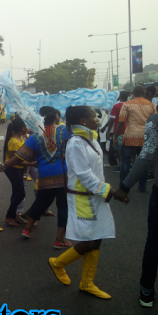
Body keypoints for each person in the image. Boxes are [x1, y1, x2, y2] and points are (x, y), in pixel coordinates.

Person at [48, 106, 117, 300]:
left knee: (97, 237)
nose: (97, 119)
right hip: (83, 197)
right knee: (90, 240)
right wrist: (109, 190)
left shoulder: (91, 138)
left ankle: (87, 283)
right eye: (94, 116)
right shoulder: (75, 143)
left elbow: (95, 171)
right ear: (83, 120)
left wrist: (103, 190)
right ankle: (58, 263)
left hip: (95, 195)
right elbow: (84, 174)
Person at [0, 106, 70, 248]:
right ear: (56, 119)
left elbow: (17, 157)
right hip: (63, 176)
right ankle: (60, 239)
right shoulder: (64, 130)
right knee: (63, 207)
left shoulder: (35, 137)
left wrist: (2, 166)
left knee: (40, 203)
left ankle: (27, 229)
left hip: (45, 177)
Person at [114, 110, 158, 307]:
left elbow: (146, 157)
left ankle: (146, 291)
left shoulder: (157, 121)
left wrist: (124, 187)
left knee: (155, 242)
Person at [115, 85, 156, 192]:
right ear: (144, 93)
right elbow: (155, 122)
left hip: (130, 137)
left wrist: (115, 137)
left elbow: (121, 123)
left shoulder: (127, 105)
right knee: (142, 163)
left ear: (132, 93)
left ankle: (123, 187)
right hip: (145, 138)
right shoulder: (151, 105)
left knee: (125, 162)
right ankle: (142, 187)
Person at [2, 118, 32, 227]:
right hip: (12, 169)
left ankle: (13, 215)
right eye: (26, 126)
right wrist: (31, 163)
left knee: (16, 192)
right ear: (22, 128)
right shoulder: (13, 141)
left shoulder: (21, 138)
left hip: (18, 168)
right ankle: (9, 216)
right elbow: (13, 160)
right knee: (20, 193)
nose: (27, 128)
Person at [103, 91, 128, 171]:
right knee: (128, 148)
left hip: (118, 130)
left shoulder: (116, 106)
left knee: (119, 149)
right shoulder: (130, 105)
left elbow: (112, 119)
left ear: (119, 97)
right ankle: (128, 165)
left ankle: (121, 166)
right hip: (130, 130)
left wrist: (107, 130)